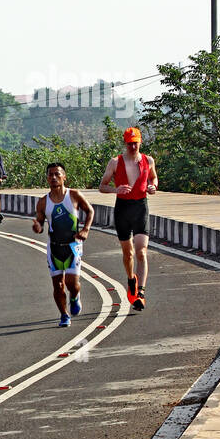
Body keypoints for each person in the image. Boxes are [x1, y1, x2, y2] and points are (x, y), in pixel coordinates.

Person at [99, 126, 158, 311]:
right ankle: (131, 278)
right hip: (122, 208)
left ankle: (140, 293)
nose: (133, 147)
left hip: (141, 207)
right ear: (125, 143)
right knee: (128, 253)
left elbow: (154, 179)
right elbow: (102, 186)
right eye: (129, 144)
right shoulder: (115, 162)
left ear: (140, 142)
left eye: (135, 143)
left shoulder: (148, 160)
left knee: (141, 251)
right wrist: (116, 189)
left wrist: (152, 187)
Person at [32, 161, 94, 326]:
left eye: (57, 174)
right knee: (58, 285)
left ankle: (74, 297)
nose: (53, 177)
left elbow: (90, 211)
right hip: (54, 248)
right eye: (50, 174)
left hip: (73, 246)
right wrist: (37, 226)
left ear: (64, 177)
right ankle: (64, 315)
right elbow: (39, 224)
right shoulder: (43, 202)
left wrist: (86, 229)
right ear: (47, 179)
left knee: (71, 283)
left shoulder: (74, 195)